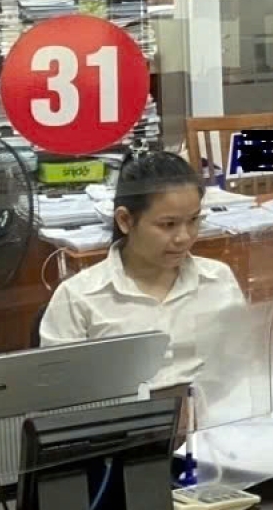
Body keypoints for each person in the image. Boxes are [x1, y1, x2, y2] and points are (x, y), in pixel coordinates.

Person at [40, 151, 247, 389]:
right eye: (168, 224)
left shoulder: (218, 278)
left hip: (208, 408)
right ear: (125, 220)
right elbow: (59, 390)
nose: (184, 237)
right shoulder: (79, 296)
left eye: (193, 220)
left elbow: (243, 367)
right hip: (122, 411)